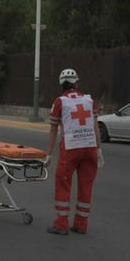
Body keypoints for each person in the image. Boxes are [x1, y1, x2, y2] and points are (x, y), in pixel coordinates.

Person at [45, 68, 104, 235]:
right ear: (77, 83)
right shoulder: (89, 100)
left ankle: (61, 224)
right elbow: (94, 126)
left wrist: (48, 154)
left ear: (61, 84)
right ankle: (81, 224)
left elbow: (53, 130)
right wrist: (99, 149)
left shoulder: (60, 102)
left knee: (63, 182)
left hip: (71, 148)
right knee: (86, 186)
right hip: (90, 147)